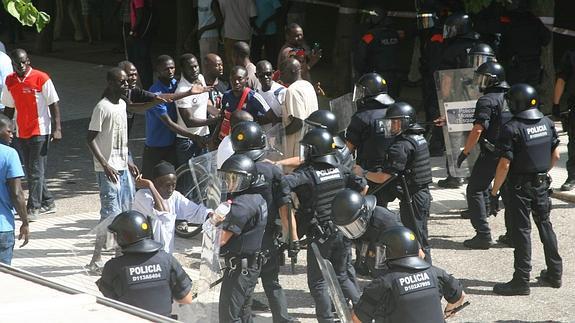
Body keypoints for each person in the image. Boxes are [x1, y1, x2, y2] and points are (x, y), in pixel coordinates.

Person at [279, 128, 367, 322]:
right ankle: (363, 313)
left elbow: (283, 185)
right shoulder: (339, 168)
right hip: (343, 230)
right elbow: (363, 185)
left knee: (318, 281)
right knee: (342, 275)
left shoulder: (308, 174)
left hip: (320, 234)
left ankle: (326, 319)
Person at [490, 83, 562, 295]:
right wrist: (540, 173)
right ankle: (555, 273)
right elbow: (556, 155)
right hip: (541, 183)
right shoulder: (547, 122)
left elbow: (504, 164)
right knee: (545, 226)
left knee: (522, 231)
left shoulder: (511, 128)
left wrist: (494, 192)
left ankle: (521, 280)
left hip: (519, 187)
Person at [230, 121, 299, 322]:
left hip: (242, 238)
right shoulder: (272, 171)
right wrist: (292, 238)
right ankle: (282, 319)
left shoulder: (233, 168)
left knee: (245, 285)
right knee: (272, 282)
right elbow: (285, 208)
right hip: (267, 237)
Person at [356, 102, 433, 262]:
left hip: (413, 197)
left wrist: (362, 172)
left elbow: (384, 177)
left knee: (416, 237)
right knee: (420, 234)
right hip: (420, 193)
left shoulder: (401, 146)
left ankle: (426, 271)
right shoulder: (418, 138)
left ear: (406, 121)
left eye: (395, 122)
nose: (391, 126)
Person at [352, 226, 466, 323]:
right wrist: (447, 312)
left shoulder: (383, 283)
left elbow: (357, 319)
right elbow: (460, 295)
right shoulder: (436, 273)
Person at [96, 210, 194, 316]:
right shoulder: (167, 260)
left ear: (123, 237)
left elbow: (111, 304)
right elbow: (187, 299)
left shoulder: (113, 267)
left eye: (115, 235)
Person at [456, 61, 511, 250]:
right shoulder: (513, 95)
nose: (480, 82)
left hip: (492, 153)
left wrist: (465, 151)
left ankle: (483, 235)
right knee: (509, 191)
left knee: (475, 189)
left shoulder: (487, 100)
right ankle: (512, 234)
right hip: (512, 152)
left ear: (493, 81)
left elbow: (478, 129)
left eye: (483, 78)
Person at [2, 49, 62, 220]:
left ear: (28, 61)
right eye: (16, 63)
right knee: (31, 170)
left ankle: (33, 207)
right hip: (21, 130)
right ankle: (48, 202)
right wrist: (5, 129)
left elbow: (54, 103)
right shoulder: (10, 80)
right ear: (12, 64)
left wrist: (57, 129)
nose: (20, 66)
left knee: (36, 170)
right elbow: (8, 108)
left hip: (40, 130)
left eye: (23, 62)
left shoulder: (41, 77)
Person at [218, 153, 268, 322]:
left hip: (239, 268)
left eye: (234, 178)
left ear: (246, 180)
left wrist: (213, 222)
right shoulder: (258, 198)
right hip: (251, 265)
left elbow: (220, 240)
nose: (228, 182)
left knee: (229, 316)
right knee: (243, 313)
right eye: (227, 177)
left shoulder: (240, 206)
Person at [142, 55, 207, 179]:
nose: (171, 71)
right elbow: (169, 123)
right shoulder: (155, 92)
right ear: (158, 70)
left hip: (172, 143)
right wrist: (193, 136)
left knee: (172, 180)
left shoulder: (175, 84)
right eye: (166, 69)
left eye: (172, 68)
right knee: (149, 181)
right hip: (156, 145)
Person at [435, 12, 480, 189]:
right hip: (478, 100)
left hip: (456, 100)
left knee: (453, 139)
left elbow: (446, 78)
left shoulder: (451, 49)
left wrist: (443, 101)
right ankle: (475, 173)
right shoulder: (480, 45)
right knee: (475, 137)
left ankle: (455, 176)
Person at [132, 161, 211, 254]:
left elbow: (194, 212)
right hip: (146, 253)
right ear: (155, 183)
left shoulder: (174, 196)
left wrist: (210, 214)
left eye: (173, 185)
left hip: (165, 252)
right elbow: (162, 213)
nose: (170, 190)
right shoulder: (143, 196)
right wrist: (150, 186)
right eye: (167, 185)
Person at [345, 72, 395, 207]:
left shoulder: (362, 117)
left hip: (368, 173)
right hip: (393, 170)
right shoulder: (395, 112)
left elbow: (347, 149)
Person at [331, 189, 403, 277]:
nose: (351, 229)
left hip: (395, 270)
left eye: (353, 225)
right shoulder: (352, 225)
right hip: (375, 267)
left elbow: (415, 251)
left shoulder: (387, 221)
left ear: (363, 214)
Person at [174, 54, 220, 166]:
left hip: (204, 137)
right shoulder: (182, 90)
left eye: (196, 66)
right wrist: (215, 120)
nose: (194, 70)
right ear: (183, 69)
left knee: (205, 177)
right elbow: (189, 121)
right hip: (187, 142)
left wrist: (219, 113)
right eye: (190, 67)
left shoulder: (200, 78)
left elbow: (206, 103)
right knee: (190, 180)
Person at [497, 0, 550, 87]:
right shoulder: (535, 21)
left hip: (516, 66)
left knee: (513, 95)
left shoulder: (508, 19)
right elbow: (546, 40)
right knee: (530, 95)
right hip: (533, 65)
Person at [354, 7, 403, 98]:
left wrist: (361, 72)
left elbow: (360, 56)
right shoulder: (394, 34)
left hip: (375, 77)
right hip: (394, 76)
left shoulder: (370, 36)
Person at [0, 114, 29, 265]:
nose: (12, 135)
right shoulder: (9, 154)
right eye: (9, 131)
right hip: (2, 227)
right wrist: (25, 222)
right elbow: (17, 193)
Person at [218, 66, 273, 140]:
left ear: (246, 79)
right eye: (233, 79)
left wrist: (253, 121)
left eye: (240, 79)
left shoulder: (254, 97)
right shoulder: (226, 96)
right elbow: (222, 117)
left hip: (249, 139)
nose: (236, 82)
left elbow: (271, 117)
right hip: (230, 138)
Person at [280, 58, 318, 158]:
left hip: (297, 146)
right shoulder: (308, 85)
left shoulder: (292, 90)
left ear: (292, 71)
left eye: (283, 73)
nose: (280, 76)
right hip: (310, 141)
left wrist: (279, 134)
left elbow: (298, 122)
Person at [117, 60, 166, 137]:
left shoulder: (133, 89)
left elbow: (158, 96)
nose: (134, 78)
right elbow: (132, 107)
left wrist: (186, 93)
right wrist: (154, 103)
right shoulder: (115, 92)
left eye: (135, 74)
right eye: (130, 75)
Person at [552, 49, 575, 191]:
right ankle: (572, 176)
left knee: (574, 143)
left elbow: (561, 81)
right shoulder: (571, 56)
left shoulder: (571, 55)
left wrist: (556, 104)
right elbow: (561, 81)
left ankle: (572, 176)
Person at [215, 0, 257, 72]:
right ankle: (244, 79)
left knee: (231, 62)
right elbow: (253, 16)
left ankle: (234, 80)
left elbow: (220, 15)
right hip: (245, 34)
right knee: (244, 61)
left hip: (230, 34)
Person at [127, 0, 154, 90]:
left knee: (142, 62)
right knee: (143, 61)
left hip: (140, 35)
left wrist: (132, 32)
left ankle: (147, 86)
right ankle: (146, 85)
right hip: (142, 34)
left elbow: (140, 16)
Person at [194, 0, 222, 68]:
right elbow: (200, 19)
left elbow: (219, 21)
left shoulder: (212, 2)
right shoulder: (199, 1)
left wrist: (203, 29)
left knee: (211, 64)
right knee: (205, 64)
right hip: (202, 36)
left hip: (210, 36)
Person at [203, 53, 230, 121]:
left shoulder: (226, 86)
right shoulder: (201, 87)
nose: (221, 68)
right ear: (207, 67)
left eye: (222, 65)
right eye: (217, 65)